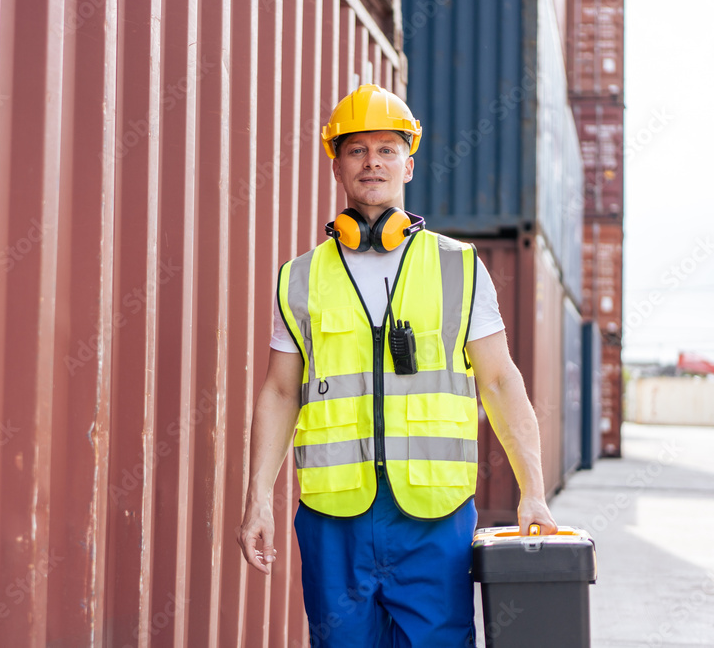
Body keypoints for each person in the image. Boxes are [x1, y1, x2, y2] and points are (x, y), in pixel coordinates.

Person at [236, 84, 558, 646]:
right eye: (357, 149)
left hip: (433, 518)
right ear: (336, 164)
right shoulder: (301, 277)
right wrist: (258, 496)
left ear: (408, 164)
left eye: (387, 148)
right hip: (335, 519)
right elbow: (281, 393)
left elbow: (501, 381)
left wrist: (533, 488)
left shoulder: (458, 266)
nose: (372, 162)